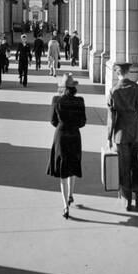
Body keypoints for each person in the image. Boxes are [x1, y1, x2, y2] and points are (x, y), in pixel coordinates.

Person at [107, 62, 138, 211]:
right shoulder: (137, 88)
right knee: (137, 165)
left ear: (117, 73)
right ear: (129, 73)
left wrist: (109, 137)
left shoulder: (113, 91)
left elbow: (111, 118)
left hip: (121, 134)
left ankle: (127, 200)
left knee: (124, 167)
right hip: (137, 133)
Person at [47, 74, 86, 219]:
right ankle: (71, 195)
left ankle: (65, 206)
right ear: (74, 88)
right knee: (73, 164)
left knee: (62, 170)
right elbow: (82, 122)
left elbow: (52, 121)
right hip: (74, 135)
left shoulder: (56, 100)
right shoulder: (79, 101)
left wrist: (62, 125)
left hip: (61, 136)